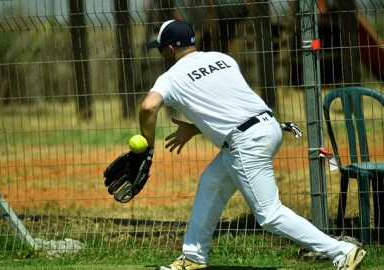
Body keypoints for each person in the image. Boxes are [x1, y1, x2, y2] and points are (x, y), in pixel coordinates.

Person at [139, 19, 366, 270]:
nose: (160, 53)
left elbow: (148, 106)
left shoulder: (170, 77)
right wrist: (193, 129)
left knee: (269, 215)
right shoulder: (222, 59)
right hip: (268, 127)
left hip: (245, 141)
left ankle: (342, 251)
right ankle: (193, 256)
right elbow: (228, 105)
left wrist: (148, 148)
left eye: (160, 48)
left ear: (170, 49)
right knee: (211, 183)